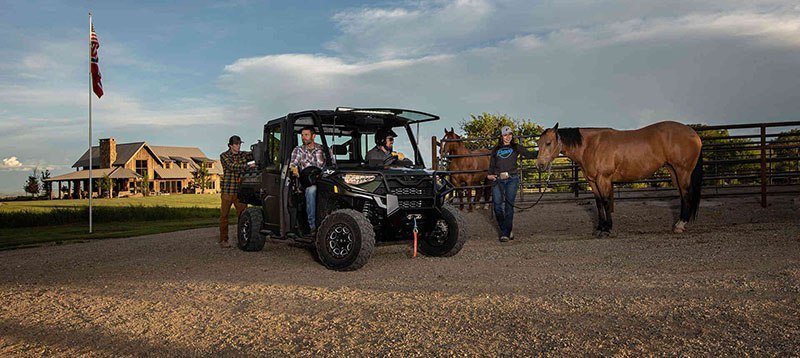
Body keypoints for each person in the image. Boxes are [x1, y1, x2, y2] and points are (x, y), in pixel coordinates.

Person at [487, 126, 538, 242]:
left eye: (510, 134)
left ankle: (505, 233)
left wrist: (545, 151)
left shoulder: (516, 147)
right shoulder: (495, 150)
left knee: (509, 206)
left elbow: (530, 154)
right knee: (497, 207)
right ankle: (507, 229)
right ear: (501, 136)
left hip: (512, 179)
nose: (508, 137)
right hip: (497, 179)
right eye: (505, 135)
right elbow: (491, 165)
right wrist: (489, 175)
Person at [289, 126, 326, 235]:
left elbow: (331, 164)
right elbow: (293, 164)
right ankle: (313, 226)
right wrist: (294, 170)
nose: (304, 138)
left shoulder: (323, 149)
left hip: (323, 180)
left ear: (313, 136)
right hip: (306, 182)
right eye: (302, 135)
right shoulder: (298, 150)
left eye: (306, 135)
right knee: (311, 191)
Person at [219, 135, 255, 248]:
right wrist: (249, 166)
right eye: (236, 144)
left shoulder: (243, 154)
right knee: (224, 216)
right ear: (230, 145)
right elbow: (233, 167)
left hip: (240, 192)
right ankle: (224, 239)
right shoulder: (224, 156)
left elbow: (255, 154)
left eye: (239, 144)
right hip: (228, 191)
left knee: (243, 216)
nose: (238, 146)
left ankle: (242, 239)